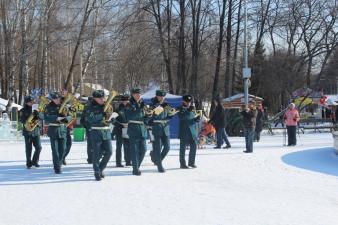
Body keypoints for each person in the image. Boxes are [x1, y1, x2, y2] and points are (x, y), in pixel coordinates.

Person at [84, 90, 113, 181]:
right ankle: (97, 171)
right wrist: (101, 114)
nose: (102, 99)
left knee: (109, 152)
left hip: (106, 131)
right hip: (96, 131)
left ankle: (100, 169)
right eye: (100, 98)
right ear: (95, 98)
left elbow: (109, 116)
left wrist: (112, 119)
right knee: (97, 153)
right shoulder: (89, 107)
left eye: (103, 97)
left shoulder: (107, 106)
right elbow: (91, 119)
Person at [44, 92, 72, 174]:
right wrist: (56, 118)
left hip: (62, 129)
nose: (57, 100)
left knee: (63, 149)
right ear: (52, 99)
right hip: (53, 129)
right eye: (55, 98)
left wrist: (64, 118)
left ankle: (59, 163)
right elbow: (46, 118)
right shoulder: (48, 107)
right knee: (55, 150)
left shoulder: (64, 106)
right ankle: (57, 167)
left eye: (58, 98)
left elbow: (69, 117)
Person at [125, 88, 149, 176]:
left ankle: (136, 166)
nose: (138, 95)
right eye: (136, 94)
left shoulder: (142, 104)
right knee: (134, 150)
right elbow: (129, 117)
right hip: (133, 128)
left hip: (142, 129)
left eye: (139, 94)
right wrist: (139, 109)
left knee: (144, 149)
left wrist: (149, 116)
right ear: (133, 95)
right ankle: (135, 169)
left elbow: (144, 118)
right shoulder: (129, 104)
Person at [148, 90, 174, 173]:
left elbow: (170, 114)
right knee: (158, 147)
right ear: (157, 96)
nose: (162, 98)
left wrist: (171, 114)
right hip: (156, 127)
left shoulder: (167, 105)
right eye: (160, 96)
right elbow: (149, 116)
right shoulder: (152, 105)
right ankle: (159, 166)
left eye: (163, 96)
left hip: (165, 127)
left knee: (167, 147)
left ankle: (156, 159)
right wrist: (158, 110)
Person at [19, 96, 42, 169]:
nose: (32, 103)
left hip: (36, 131)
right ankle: (28, 162)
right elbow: (22, 120)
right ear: (26, 102)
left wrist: (38, 114)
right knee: (29, 148)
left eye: (32, 101)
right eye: (30, 102)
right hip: (28, 131)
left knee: (39, 147)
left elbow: (41, 117)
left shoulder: (36, 109)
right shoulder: (23, 110)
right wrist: (31, 117)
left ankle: (35, 161)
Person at [177, 95, 200, 168]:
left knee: (194, 147)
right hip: (184, 131)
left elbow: (192, 118)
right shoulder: (179, 108)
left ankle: (191, 162)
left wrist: (196, 119)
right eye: (187, 102)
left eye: (190, 102)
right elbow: (181, 117)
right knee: (183, 149)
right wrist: (188, 111)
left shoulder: (192, 108)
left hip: (192, 131)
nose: (188, 103)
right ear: (183, 101)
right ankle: (182, 164)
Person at [112, 94, 131, 167]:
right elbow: (113, 120)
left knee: (128, 145)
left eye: (127, 100)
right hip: (119, 129)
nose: (126, 102)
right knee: (119, 146)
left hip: (128, 129)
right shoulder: (117, 109)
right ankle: (118, 162)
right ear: (122, 101)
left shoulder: (130, 109)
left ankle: (128, 161)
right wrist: (120, 125)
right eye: (125, 100)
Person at [80, 96, 94, 164]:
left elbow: (82, 120)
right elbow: (82, 119)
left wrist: (85, 126)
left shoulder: (86, 107)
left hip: (90, 127)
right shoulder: (87, 107)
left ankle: (91, 158)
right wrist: (86, 126)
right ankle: (91, 158)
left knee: (90, 144)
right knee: (91, 144)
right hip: (90, 127)